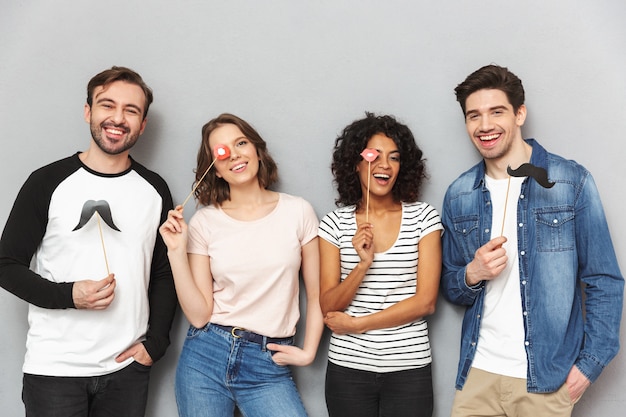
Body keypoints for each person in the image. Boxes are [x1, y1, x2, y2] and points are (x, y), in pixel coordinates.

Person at [441, 64, 624, 417]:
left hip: (546, 381)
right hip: (478, 376)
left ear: (519, 113)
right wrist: (472, 273)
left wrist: (589, 367)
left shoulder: (570, 181)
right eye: (473, 116)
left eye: (497, 112)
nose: (484, 125)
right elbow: (451, 284)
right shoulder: (459, 194)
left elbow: (604, 280)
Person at [0, 66, 178, 416]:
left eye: (131, 110)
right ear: (88, 112)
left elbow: (163, 274)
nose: (118, 118)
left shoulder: (155, 189)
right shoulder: (46, 181)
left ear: (142, 124)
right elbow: (5, 265)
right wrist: (69, 295)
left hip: (126, 370)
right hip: (55, 371)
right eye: (106, 105)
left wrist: (155, 344)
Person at [159, 113, 323, 417]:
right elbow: (198, 315)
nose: (234, 154)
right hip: (205, 357)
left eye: (241, 142)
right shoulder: (205, 221)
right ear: (216, 169)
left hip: (267, 362)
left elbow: (316, 294)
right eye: (221, 152)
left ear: (257, 150)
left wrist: (309, 351)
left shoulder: (298, 211)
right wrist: (176, 252)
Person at [318, 113, 443, 417]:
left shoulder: (423, 218)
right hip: (348, 369)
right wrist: (361, 266)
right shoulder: (334, 224)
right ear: (356, 163)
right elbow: (328, 306)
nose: (385, 165)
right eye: (375, 155)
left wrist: (358, 324)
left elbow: (425, 302)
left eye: (395, 158)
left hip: (409, 369)